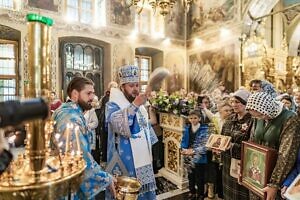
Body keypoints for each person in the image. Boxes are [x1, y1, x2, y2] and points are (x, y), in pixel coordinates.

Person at [52, 76, 115, 199]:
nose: (92, 97)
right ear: (75, 94)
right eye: (88, 93)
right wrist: (105, 178)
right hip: (68, 183)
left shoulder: (68, 111)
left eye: (93, 93)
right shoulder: (70, 118)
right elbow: (79, 157)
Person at [105, 65, 158, 200]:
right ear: (122, 87)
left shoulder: (139, 106)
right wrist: (135, 105)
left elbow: (145, 126)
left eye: (137, 85)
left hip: (143, 156)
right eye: (131, 86)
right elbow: (117, 124)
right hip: (125, 158)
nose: (135, 89)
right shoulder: (113, 104)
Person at [246, 92, 300, 200]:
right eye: (255, 116)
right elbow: (251, 143)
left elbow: (287, 154)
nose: (260, 119)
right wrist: (245, 169)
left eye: (261, 115)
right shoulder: (257, 116)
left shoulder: (289, 118)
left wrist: (274, 183)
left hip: (277, 174)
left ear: (269, 108)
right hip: (258, 173)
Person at [220, 88, 253, 200]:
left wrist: (232, 146)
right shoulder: (229, 119)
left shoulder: (252, 121)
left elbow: (252, 147)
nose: (233, 105)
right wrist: (217, 146)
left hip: (241, 166)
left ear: (246, 102)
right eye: (232, 102)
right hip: (227, 163)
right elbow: (222, 137)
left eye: (237, 102)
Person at [181, 110, 209, 200]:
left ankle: (200, 194)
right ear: (189, 119)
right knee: (190, 175)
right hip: (188, 156)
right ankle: (192, 191)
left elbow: (205, 145)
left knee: (199, 176)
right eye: (191, 118)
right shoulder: (187, 128)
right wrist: (183, 149)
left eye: (195, 118)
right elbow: (184, 140)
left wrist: (193, 151)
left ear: (199, 118)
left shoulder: (204, 129)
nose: (193, 120)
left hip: (199, 156)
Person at [98, 81, 118, 163]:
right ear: (109, 88)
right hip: (107, 122)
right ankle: (107, 158)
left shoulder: (116, 97)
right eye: (113, 87)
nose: (115, 89)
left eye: (116, 87)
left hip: (113, 121)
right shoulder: (106, 97)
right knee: (106, 141)